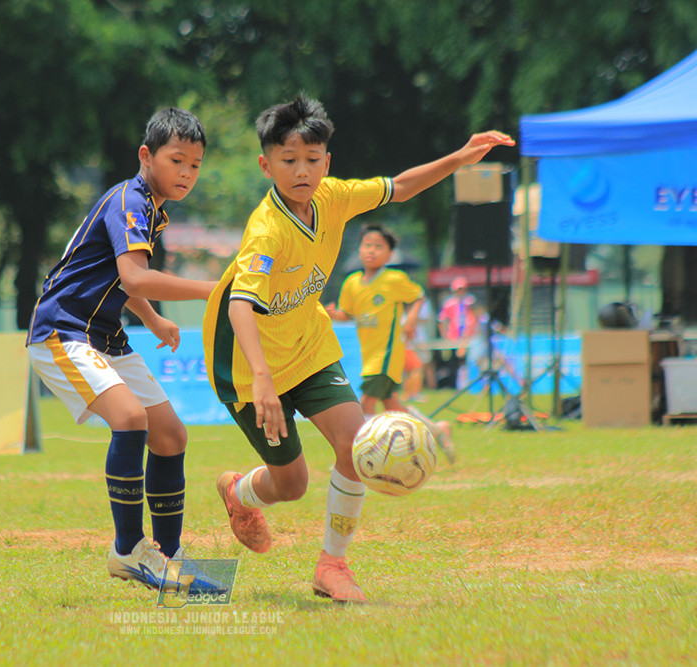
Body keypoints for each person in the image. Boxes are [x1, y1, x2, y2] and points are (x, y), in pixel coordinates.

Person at [202, 95, 511, 602]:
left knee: (355, 444)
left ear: (327, 162)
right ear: (266, 165)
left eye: (312, 159)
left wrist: (460, 156)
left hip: (309, 346)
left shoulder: (336, 197)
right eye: (288, 160)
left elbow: (402, 186)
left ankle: (332, 566)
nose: (302, 170)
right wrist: (261, 379)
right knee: (291, 485)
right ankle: (238, 492)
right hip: (245, 363)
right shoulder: (266, 230)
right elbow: (240, 307)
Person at [27, 107, 219, 592]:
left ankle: (169, 558)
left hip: (106, 335)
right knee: (131, 419)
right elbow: (134, 276)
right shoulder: (131, 200)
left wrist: (152, 318)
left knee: (170, 436)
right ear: (146, 156)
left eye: (195, 165)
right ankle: (128, 551)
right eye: (177, 160)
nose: (187, 173)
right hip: (62, 331)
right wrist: (211, 290)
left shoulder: (151, 209)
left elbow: (119, 276)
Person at [328, 225, 456, 464]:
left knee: (365, 403)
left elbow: (418, 296)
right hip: (369, 355)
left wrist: (412, 320)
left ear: (390, 254)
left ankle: (364, 456)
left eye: (379, 246)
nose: (371, 250)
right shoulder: (352, 282)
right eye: (367, 245)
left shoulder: (394, 279)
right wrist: (334, 314)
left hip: (387, 355)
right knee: (392, 406)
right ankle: (436, 429)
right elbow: (348, 313)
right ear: (359, 250)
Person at [438, 277, 480, 388]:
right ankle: (454, 384)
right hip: (454, 336)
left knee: (469, 360)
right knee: (453, 362)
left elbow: (475, 317)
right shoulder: (448, 303)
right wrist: (444, 337)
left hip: (468, 336)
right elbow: (442, 320)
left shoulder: (470, 301)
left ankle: (469, 384)